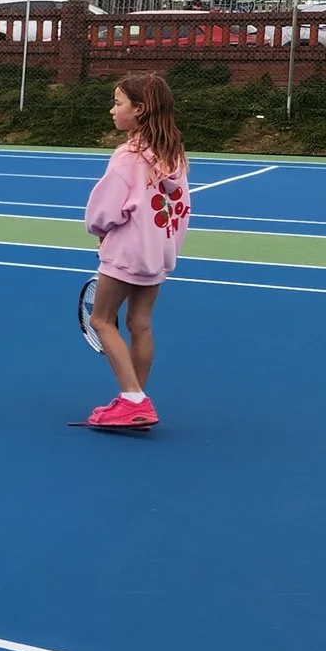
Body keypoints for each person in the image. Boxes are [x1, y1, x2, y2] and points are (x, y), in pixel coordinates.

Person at [82, 72, 191, 430]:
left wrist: (98, 230)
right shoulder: (174, 154)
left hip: (127, 252)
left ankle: (133, 399)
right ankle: (136, 398)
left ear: (139, 110)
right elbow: (179, 207)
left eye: (118, 103)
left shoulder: (127, 156)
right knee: (140, 323)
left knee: (101, 319)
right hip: (158, 252)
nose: (112, 109)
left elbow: (105, 209)